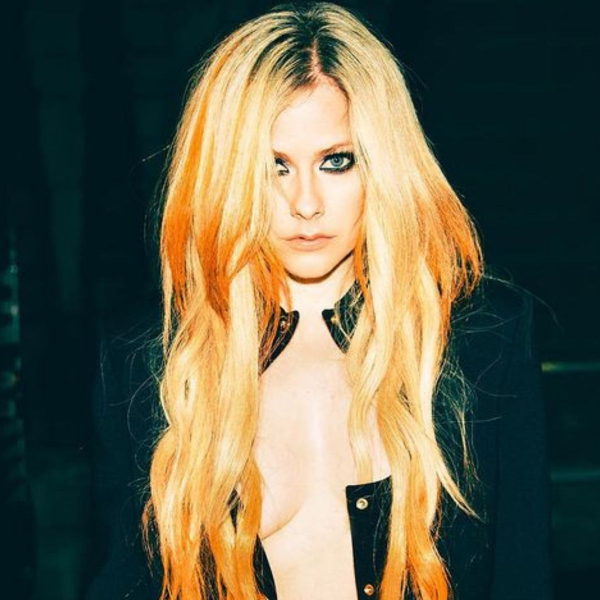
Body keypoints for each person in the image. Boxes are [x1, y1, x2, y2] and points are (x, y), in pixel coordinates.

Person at [85, 2, 553, 600]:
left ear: (382, 163)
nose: (306, 203)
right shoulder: (148, 363)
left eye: (337, 161)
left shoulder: (482, 340)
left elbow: (523, 574)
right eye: (273, 167)